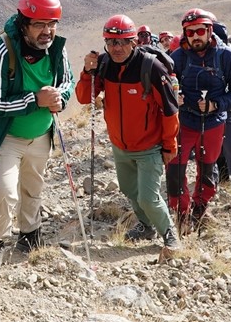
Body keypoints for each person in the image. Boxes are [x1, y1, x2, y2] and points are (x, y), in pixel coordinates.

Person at [0, 0, 74, 257]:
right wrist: (35, 100)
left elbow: (67, 82)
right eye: (40, 24)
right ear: (23, 23)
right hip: (5, 136)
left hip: (41, 135)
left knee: (33, 188)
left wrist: (59, 98)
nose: (48, 31)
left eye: (52, 23)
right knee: (3, 191)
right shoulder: (1, 51)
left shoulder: (56, 49)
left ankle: (30, 237)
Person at [76, 15, 179, 248]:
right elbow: (84, 98)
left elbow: (170, 110)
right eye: (111, 42)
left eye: (123, 42)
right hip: (120, 146)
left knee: (148, 197)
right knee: (129, 189)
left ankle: (170, 234)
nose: (117, 48)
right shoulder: (103, 65)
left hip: (149, 146)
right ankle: (145, 226)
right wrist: (86, 71)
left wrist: (169, 144)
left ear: (134, 42)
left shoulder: (150, 67)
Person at [166, 8, 231, 234]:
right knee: (175, 170)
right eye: (189, 32)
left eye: (200, 30)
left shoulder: (226, 56)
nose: (195, 36)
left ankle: (200, 209)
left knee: (207, 167)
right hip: (185, 122)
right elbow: (168, 85)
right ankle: (181, 214)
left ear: (210, 30)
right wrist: (175, 96)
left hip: (213, 123)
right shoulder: (177, 58)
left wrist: (216, 104)